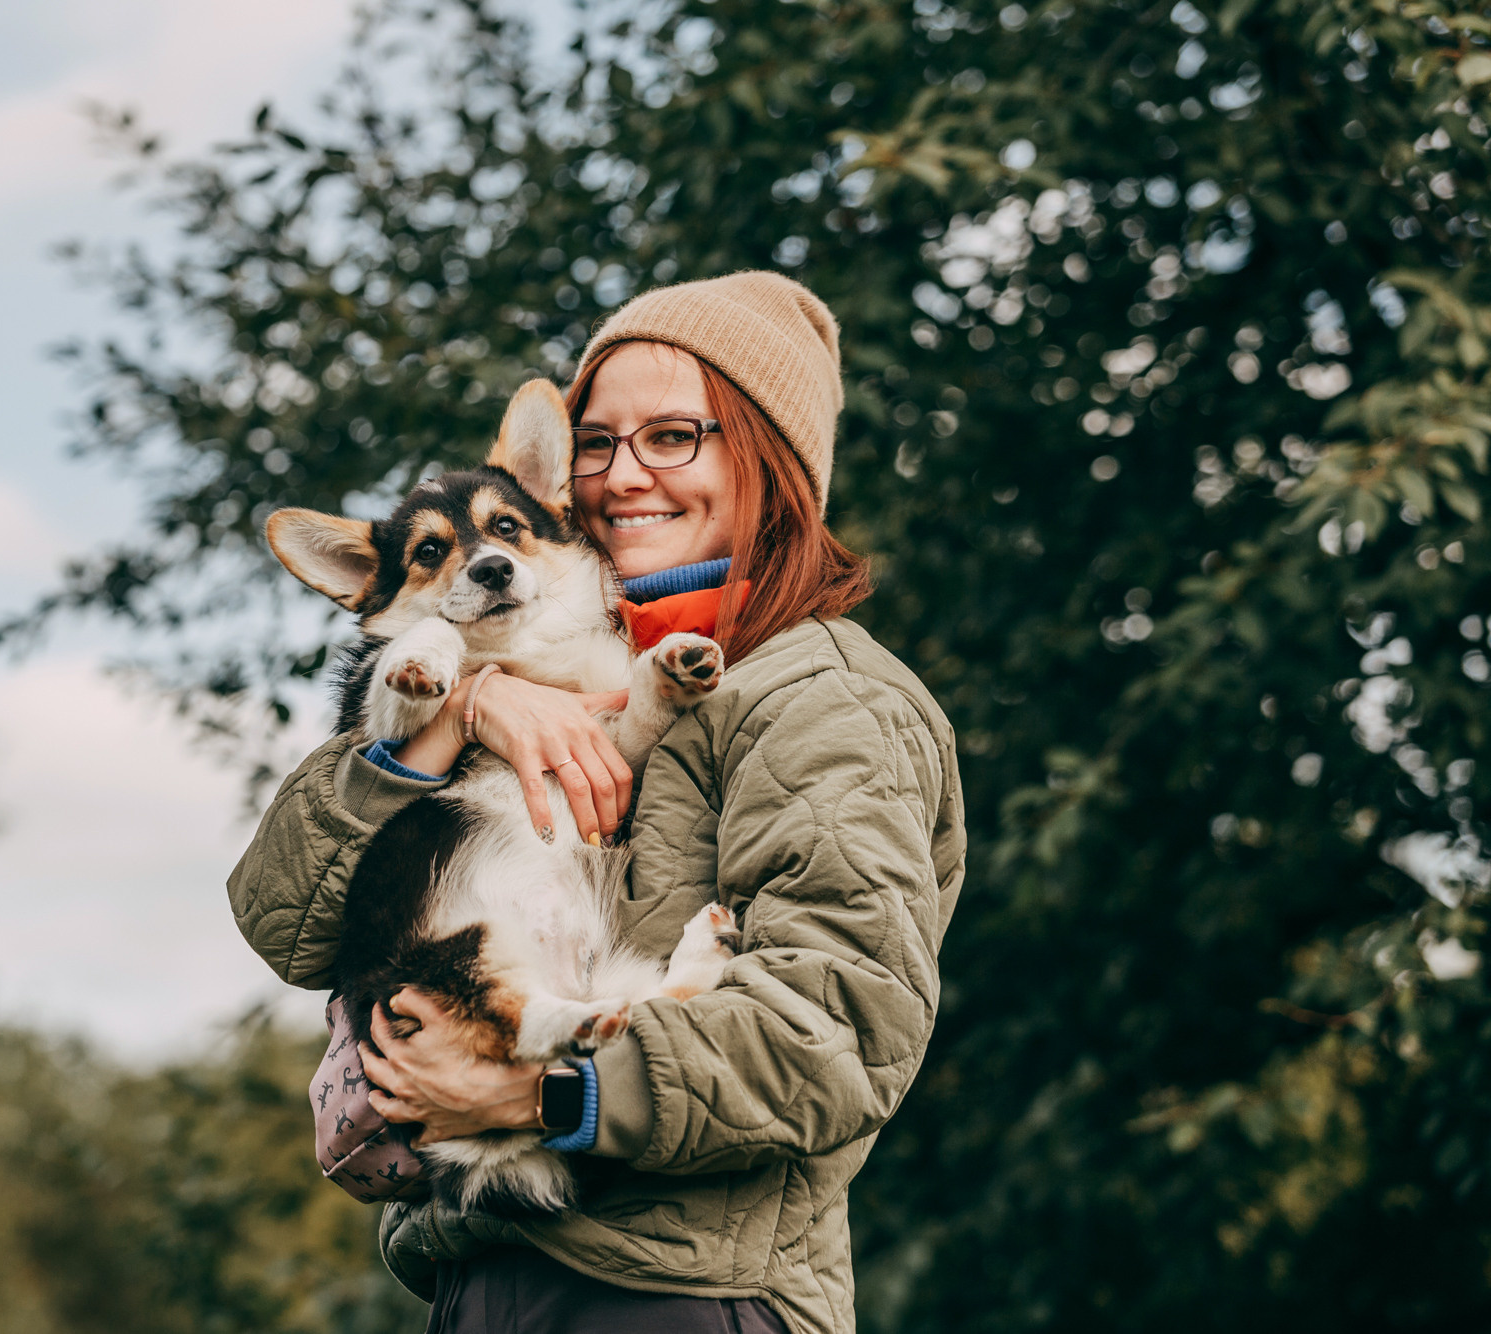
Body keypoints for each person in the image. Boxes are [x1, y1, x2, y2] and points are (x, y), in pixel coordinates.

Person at [229, 271, 965, 1334]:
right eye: (597, 442)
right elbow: (284, 922)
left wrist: (541, 1095)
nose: (621, 474)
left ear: (767, 462)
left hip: (681, 1297)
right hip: (492, 1278)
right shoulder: (512, 676)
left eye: (672, 436)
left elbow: (836, 1035)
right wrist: (462, 709)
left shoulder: (822, 697)